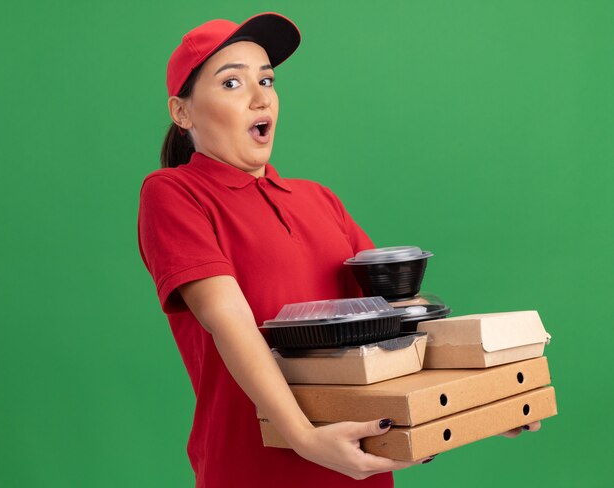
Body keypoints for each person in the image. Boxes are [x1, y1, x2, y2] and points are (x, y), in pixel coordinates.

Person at [137, 12, 540, 488]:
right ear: (181, 112)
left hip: (357, 466)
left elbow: (397, 318)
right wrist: (305, 438)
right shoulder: (174, 193)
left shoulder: (318, 200)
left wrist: (484, 399)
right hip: (251, 469)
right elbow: (229, 320)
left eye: (266, 79)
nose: (260, 96)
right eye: (232, 83)